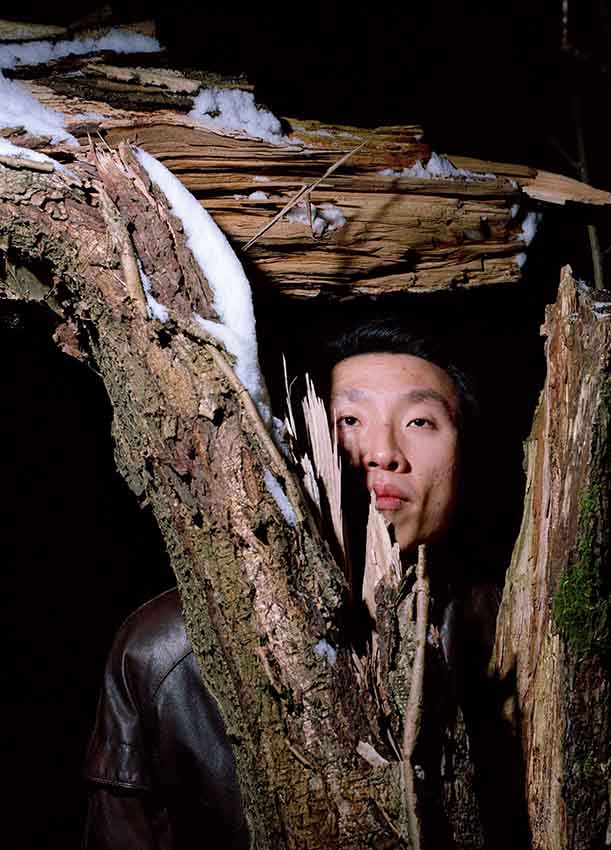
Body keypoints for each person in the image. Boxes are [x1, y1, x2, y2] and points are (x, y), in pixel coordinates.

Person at [83, 317, 500, 849]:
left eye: (420, 421)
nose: (382, 452)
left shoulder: (511, 630)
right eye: (350, 419)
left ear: (464, 455)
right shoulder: (166, 652)